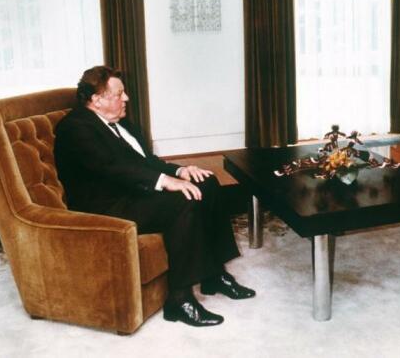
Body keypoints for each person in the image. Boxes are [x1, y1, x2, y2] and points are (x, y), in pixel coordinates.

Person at [54, 66, 255, 327]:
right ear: (97, 99)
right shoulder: (75, 128)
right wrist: (165, 182)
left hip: (131, 191)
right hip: (106, 206)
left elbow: (145, 161)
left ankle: (213, 275)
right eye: (119, 94)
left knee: (206, 182)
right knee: (183, 201)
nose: (126, 98)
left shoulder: (119, 122)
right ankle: (179, 300)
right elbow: (112, 168)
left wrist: (180, 170)